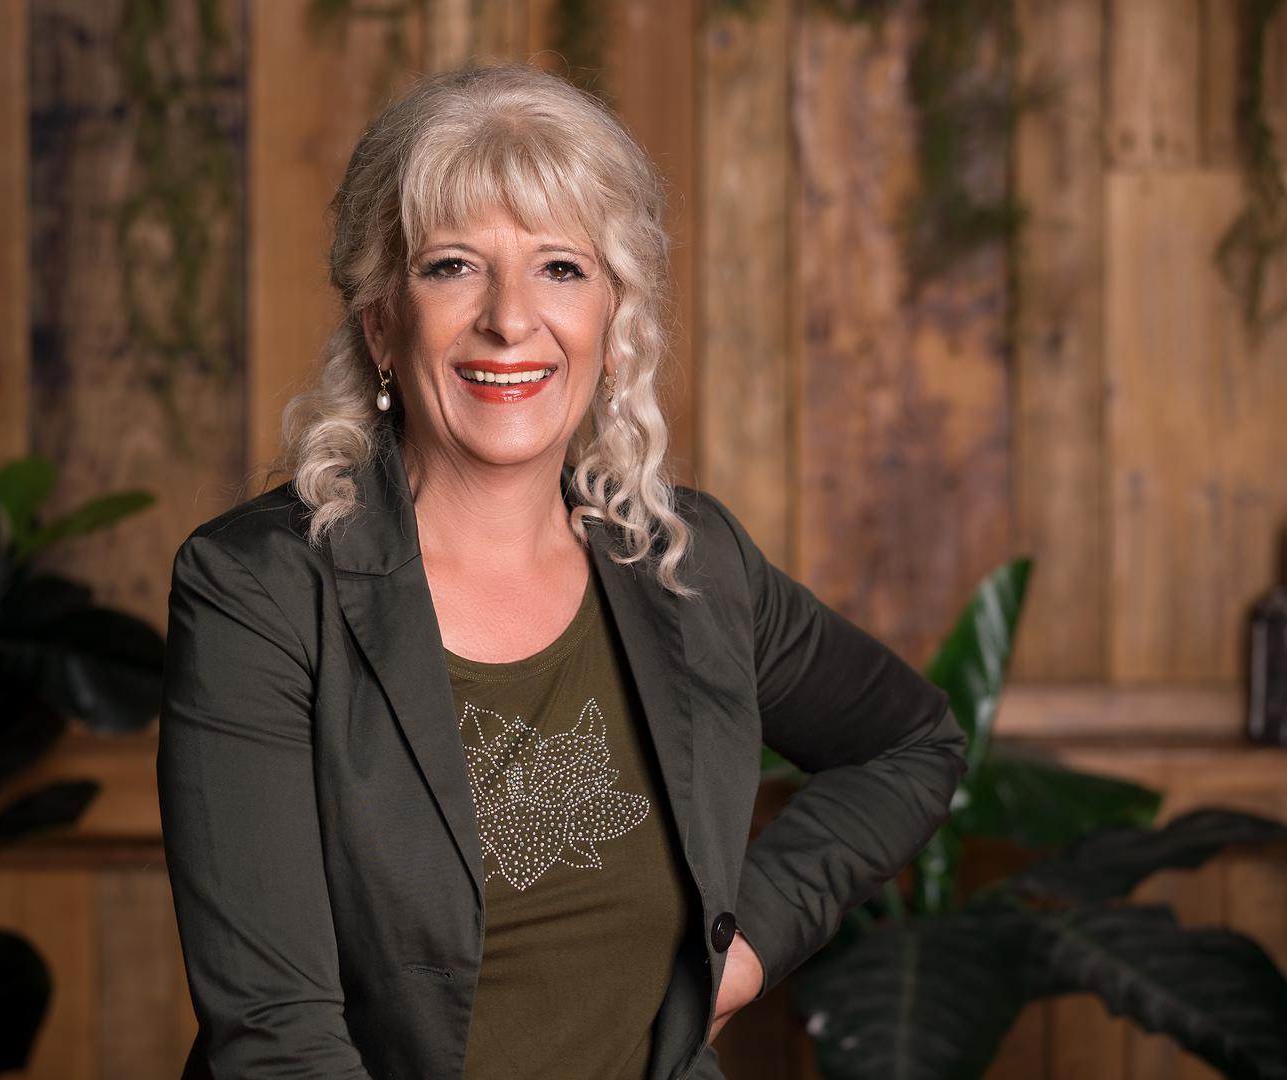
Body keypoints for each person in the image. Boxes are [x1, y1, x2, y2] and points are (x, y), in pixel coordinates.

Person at [156, 61, 968, 1080]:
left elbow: (912, 743)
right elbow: (280, 1041)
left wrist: (744, 951)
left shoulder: (689, 563)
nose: (510, 318)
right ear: (380, 324)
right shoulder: (259, 590)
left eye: (562, 268)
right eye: (453, 265)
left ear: (615, 328)